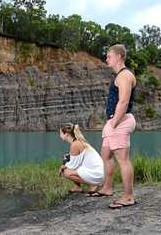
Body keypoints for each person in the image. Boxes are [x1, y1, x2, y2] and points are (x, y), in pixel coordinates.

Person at [90, 44, 137, 209]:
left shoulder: (124, 75)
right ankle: (108, 188)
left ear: (118, 57)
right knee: (106, 155)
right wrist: (110, 123)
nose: (106, 59)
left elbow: (123, 101)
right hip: (114, 121)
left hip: (120, 121)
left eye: (109, 56)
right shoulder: (120, 75)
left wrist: (114, 123)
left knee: (123, 160)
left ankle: (128, 196)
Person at [59, 123, 104, 193]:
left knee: (65, 172)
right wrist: (67, 159)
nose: (60, 135)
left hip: (97, 175)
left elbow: (72, 166)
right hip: (99, 173)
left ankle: (93, 185)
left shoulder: (75, 145)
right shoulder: (78, 142)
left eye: (60, 133)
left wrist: (63, 166)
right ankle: (77, 187)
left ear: (66, 134)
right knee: (67, 158)